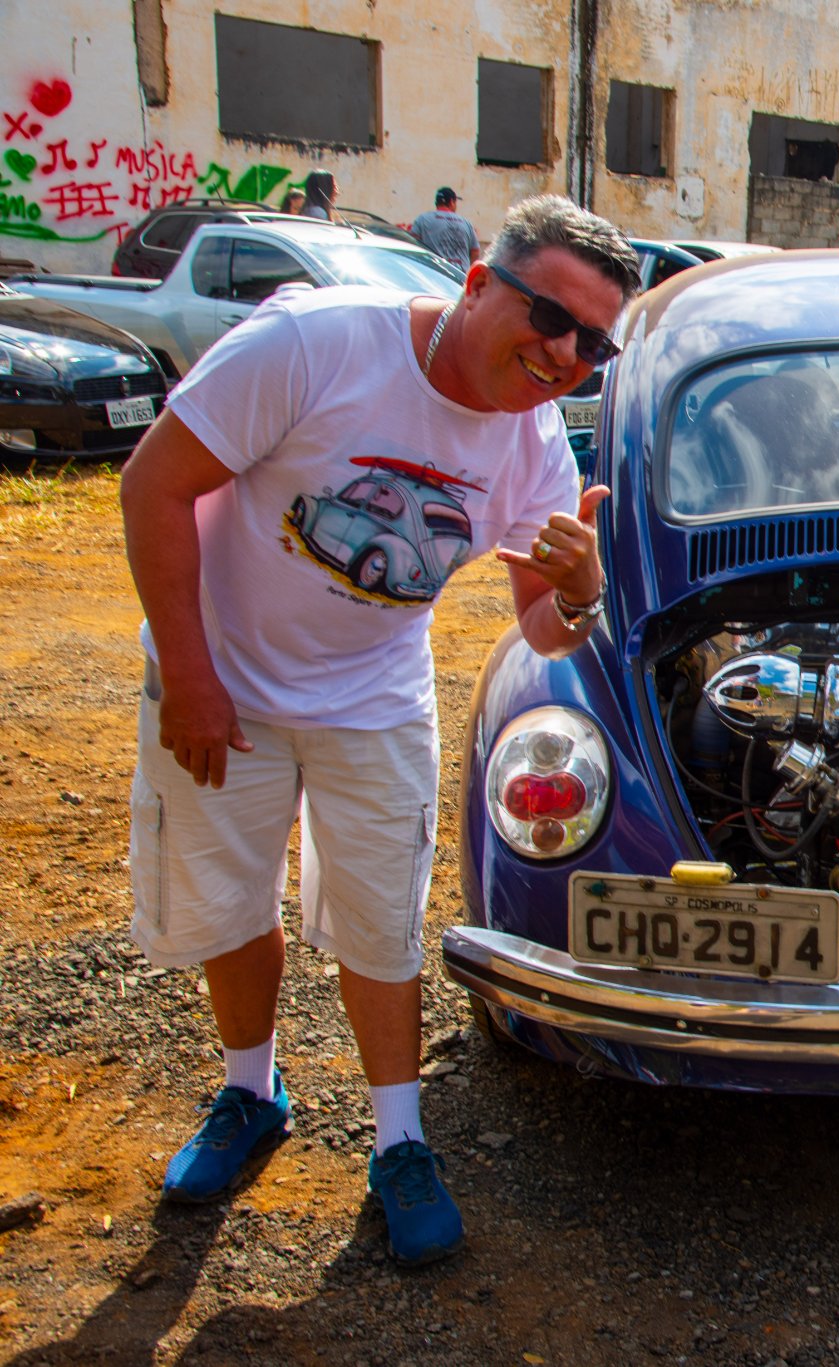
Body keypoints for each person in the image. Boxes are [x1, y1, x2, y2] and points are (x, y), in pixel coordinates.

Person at [120, 194, 639, 1266]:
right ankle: (248, 1091)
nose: (563, 354)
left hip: (372, 697)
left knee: (382, 917)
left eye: (593, 341)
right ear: (477, 282)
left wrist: (582, 590)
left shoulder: (530, 443)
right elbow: (154, 486)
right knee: (233, 895)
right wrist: (191, 676)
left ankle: (400, 1140)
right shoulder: (314, 344)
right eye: (550, 315)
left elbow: (541, 623)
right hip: (225, 678)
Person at [412, 186, 482, 270]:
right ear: (452, 202)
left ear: (436, 202)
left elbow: (412, 244)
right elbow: (475, 252)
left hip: (433, 273)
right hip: (460, 276)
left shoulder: (423, 219)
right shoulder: (466, 223)